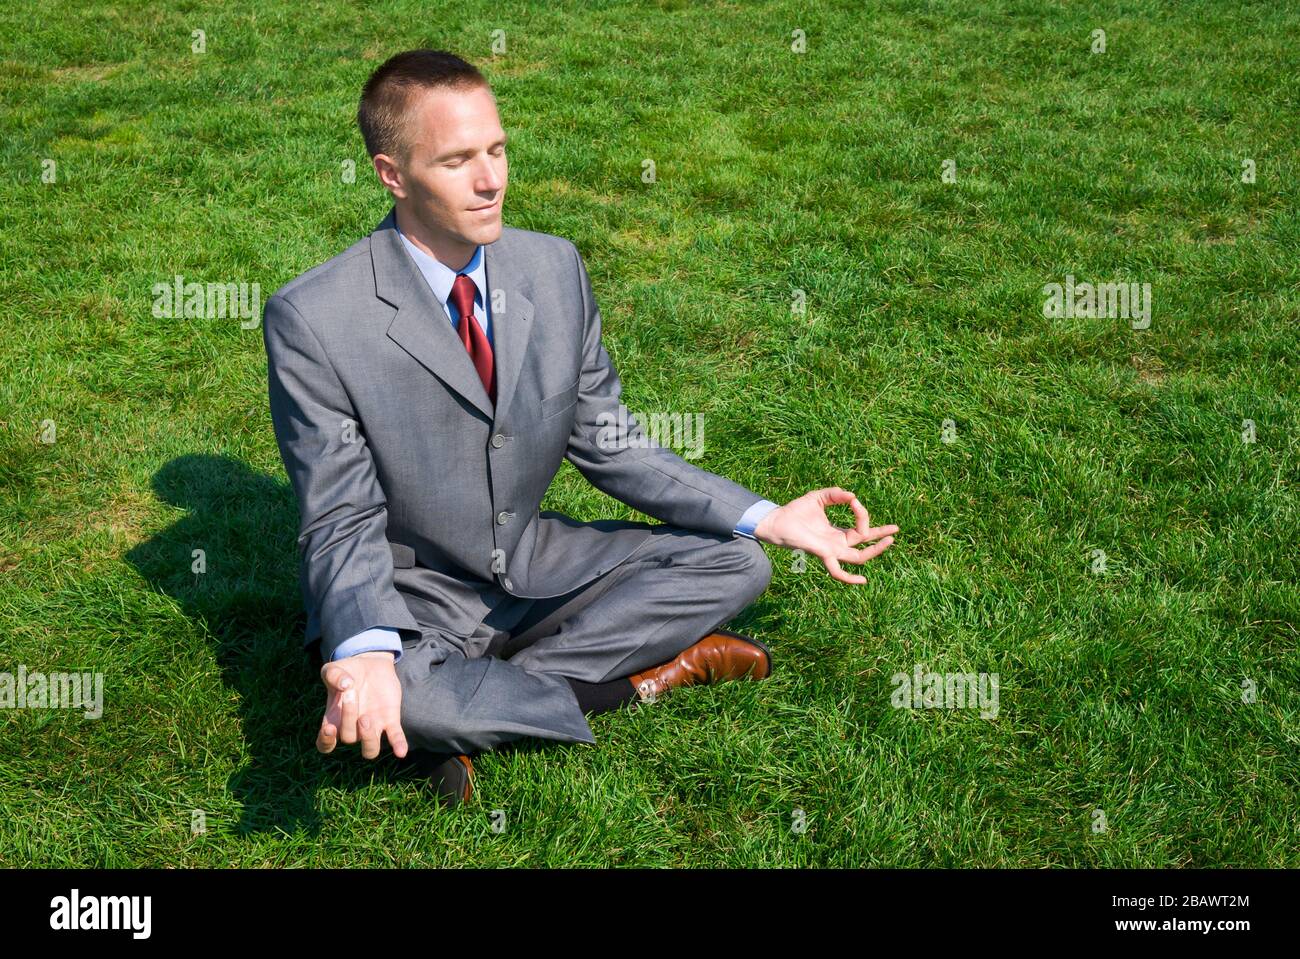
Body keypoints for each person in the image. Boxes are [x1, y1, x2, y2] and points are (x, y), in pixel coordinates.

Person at [262, 49, 899, 805]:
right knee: (409, 690)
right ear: (392, 174)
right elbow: (340, 517)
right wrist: (366, 653)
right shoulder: (315, 317)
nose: (492, 179)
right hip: (413, 600)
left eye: (497, 149)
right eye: (458, 159)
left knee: (740, 565)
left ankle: (461, 715)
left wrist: (766, 518)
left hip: (536, 567)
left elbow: (609, 441)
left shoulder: (553, 267)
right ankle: (629, 682)